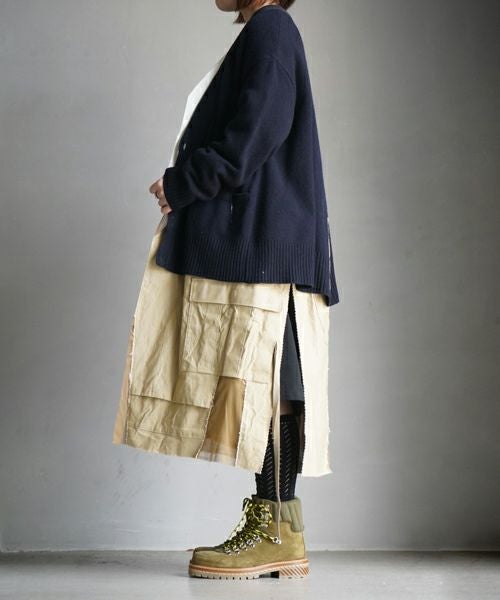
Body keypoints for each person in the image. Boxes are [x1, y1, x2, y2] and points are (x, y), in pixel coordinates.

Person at [143, 0, 339, 579]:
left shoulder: (271, 27)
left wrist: (184, 182)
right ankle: (278, 530)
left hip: (267, 247)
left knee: (274, 388)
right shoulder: (266, 32)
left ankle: (275, 533)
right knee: (273, 387)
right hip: (270, 244)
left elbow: (255, 133)